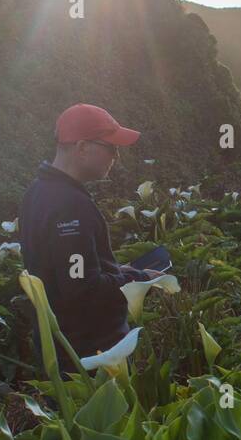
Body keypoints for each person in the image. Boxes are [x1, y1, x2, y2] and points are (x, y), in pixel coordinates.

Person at [18, 103, 164, 362]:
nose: (116, 157)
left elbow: (67, 270)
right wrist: (140, 278)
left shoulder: (38, 191)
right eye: (111, 148)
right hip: (90, 353)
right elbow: (82, 289)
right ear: (83, 147)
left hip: (63, 347)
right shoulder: (69, 205)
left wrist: (122, 271)